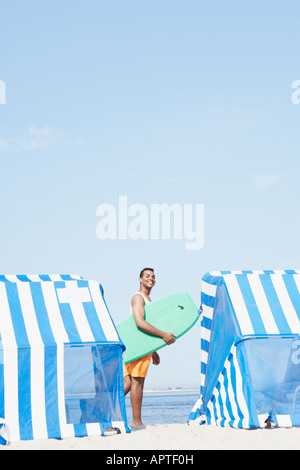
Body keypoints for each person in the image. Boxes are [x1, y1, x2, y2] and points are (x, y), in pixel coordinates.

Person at [123, 267, 176, 427]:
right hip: (137, 346)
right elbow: (139, 322)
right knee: (137, 382)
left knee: (127, 384)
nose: (150, 278)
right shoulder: (138, 298)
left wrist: (153, 350)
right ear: (140, 279)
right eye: (147, 276)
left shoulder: (148, 299)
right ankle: (137, 422)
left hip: (138, 346)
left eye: (153, 276)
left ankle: (101, 411)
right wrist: (163, 335)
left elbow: (144, 325)